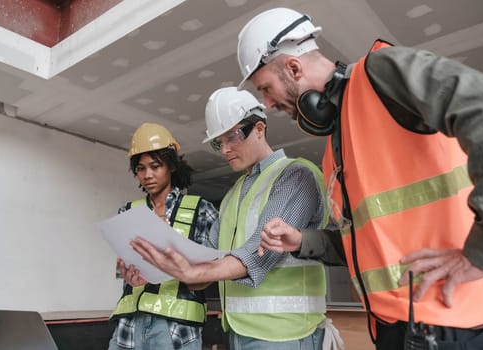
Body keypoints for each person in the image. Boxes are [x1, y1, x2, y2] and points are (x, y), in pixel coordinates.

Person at [236, 7, 483, 350]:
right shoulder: (337, 145)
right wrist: (302, 241)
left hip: (457, 322)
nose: (269, 104)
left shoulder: (380, 74)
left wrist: (480, 253)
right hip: (401, 329)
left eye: (266, 89)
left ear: (293, 67)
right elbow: (368, 244)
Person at [132, 87, 344, 350]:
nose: (225, 150)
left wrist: (193, 269)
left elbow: (257, 254)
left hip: (285, 333)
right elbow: (204, 266)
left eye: (232, 137)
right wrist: (157, 264)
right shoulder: (232, 196)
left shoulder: (295, 175)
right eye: (219, 142)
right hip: (236, 332)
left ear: (259, 128)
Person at [108, 122, 219, 350]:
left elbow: (213, 271)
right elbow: (121, 269)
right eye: (141, 168)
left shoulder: (201, 210)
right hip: (129, 327)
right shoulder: (128, 212)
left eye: (155, 166)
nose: (147, 175)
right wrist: (125, 273)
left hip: (175, 330)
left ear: (171, 166)